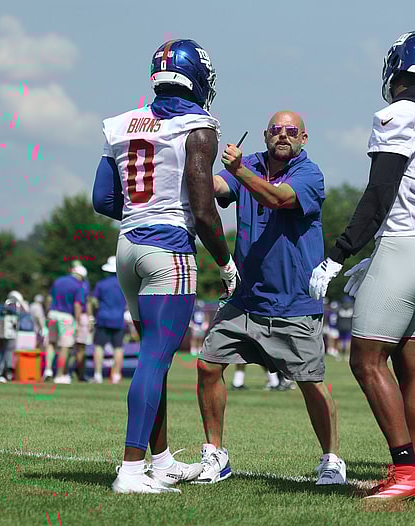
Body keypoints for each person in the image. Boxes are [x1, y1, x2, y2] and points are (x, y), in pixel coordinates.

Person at [310, 29, 415, 500]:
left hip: (405, 247)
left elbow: (379, 194)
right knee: (414, 365)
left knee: (366, 360)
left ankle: (406, 470)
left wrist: (339, 254)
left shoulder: (398, 114)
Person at [93, 38, 238, 494]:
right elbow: (203, 209)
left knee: (151, 360)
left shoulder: (121, 123)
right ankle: (131, 470)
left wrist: (145, 209)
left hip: (127, 247)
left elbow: (102, 199)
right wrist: (226, 262)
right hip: (168, 248)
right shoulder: (199, 125)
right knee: (155, 359)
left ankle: (159, 461)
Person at [197, 109, 344, 486]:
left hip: (293, 302)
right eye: (276, 130)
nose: (283, 135)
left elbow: (279, 198)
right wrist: (196, 160)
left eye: (291, 131)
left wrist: (239, 170)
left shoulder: (310, 174)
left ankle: (331, 460)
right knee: (208, 365)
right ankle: (215, 455)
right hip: (244, 299)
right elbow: (216, 187)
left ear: (304, 139)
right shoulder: (249, 164)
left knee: (311, 382)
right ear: (265, 135)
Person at [43, 265, 87, 385]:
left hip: (52, 314)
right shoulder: (78, 286)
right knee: (65, 346)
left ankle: (47, 370)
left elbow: (49, 298)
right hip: (66, 318)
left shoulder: (58, 281)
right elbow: (77, 305)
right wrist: (77, 322)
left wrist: (47, 312)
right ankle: (60, 375)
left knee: (51, 343)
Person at [91, 256, 127, 384]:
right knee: (118, 348)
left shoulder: (101, 284)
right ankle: (116, 375)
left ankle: (98, 375)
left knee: (99, 346)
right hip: (118, 319)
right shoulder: (125, 285)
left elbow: (94, 301)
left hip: (103, 318)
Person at [72, 262, 93, 382]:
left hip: (71, 317)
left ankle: (74, 372)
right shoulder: (84, 286)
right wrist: (90, 318)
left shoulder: (79, 285)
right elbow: (86, 302)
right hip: (80, 317)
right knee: (80, 347)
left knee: (72, 347)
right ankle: (80, 374)